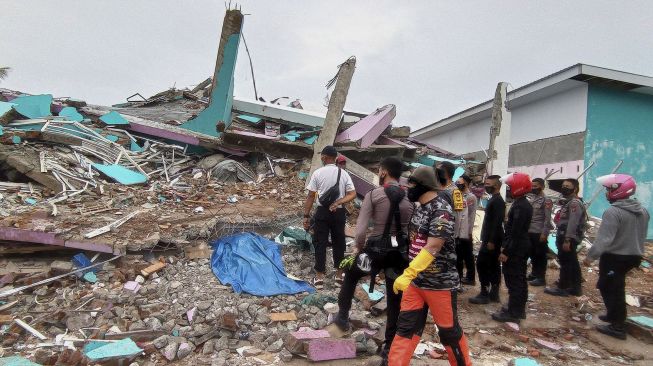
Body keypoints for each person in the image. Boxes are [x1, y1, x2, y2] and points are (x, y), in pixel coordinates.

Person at [389, 166, 471, 366]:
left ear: (423, 185)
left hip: (439, 284)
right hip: (417, 284)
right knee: (405, 329)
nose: (409, 187)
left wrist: (408, 273)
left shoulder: (441, 210)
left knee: (449, 332)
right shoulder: (420, 208)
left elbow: (434, 246)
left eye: (412, 183)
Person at [335, 157, 414, 363]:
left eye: (380, 170)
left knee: (351, 273)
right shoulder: (409, 199)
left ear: (383, 172)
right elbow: (409, 230)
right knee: (394, 295)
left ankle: (342, 317)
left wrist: (357, 249)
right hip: (398, 254)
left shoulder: (373, 195)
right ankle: (389, 347)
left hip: (375, 252)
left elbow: (360, 231)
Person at [584, 174, 649, 340]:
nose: (606, 193)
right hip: (634, 255)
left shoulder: (613, 212)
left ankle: (618, 326)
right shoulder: (642, 210)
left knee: (613, 289)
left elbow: (605, 239)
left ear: (618, 190)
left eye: (608, 189)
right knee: (610, 285)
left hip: (615, 256)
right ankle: (613, 315)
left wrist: (590, 257)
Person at [304, 146, 356, 289]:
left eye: (322, 156)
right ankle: (339, 277)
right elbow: (352, 194)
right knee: (339, 242)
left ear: (325, 157)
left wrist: (306, 216)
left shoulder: (318, 173)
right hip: (338, 212)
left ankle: (319, 278)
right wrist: (339, 202)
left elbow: (310, 196)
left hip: (322, 212)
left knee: (320, 242)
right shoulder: (343, 173)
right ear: (335, 158)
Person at [493, 173, 533, 323]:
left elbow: (515, 232)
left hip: (516, 248)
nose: (508, 189)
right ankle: (517, 309)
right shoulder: (521, 203)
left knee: (514, 280)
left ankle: (514, 312)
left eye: (510, 187)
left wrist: (506, 251)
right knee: (519, 279)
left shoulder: (521, 206)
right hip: (520, 246)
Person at [545, 178, 585, 297]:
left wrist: (567, 240)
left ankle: (562, 287)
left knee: (566, 262)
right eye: (563, 186)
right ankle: (575, 287)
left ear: (575, 189)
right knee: (572, 262)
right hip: (565, 236)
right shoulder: (569, 202)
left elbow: (573, 223)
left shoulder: (574, 203)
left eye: (568, 186)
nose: (564, 188)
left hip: (567, 238)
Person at [470, 175, 506, 304]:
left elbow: (497, 223)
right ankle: (494, 293)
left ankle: (485, 293)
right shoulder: (494, 199)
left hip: (492, 240)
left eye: (488, 184)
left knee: (482, 264)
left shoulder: (498, 201)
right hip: (491, 238)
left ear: (496, 185)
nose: (486, 186)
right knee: (494, 265)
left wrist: (491, 241)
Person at [526, 178, 554, 286]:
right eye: (532, 186)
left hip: (539, 231)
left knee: (540, 255)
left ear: (542, 186)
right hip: (530, 231)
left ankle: (541, 277)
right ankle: (534, 273)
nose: (533, 188)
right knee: (532, 253)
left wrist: (544, 233)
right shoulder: (532, 198)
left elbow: (547, 219)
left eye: (536, 186)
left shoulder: (546, 200)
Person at [454, 174, 478, 285]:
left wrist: (468, 232)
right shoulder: (457, 195)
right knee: (458, 255)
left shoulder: (470, 197)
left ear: (466, 183)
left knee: (468, 256)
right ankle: (459, 277)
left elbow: (471, 216)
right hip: (458, 231)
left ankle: (470, 277)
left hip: (466, 231)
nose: (458, 184)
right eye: (457, 183)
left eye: (460, 183)